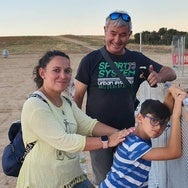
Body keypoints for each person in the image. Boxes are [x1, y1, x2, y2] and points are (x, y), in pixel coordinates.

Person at [74, 10, 177, 185]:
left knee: (130, 181)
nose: (117, 39)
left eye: (123, 35)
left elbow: (171, 72)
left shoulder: (137, 59)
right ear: (105, 30)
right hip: (99, 134)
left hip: (129, 135)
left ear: (129, 35)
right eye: (113, 33)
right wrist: (75, 128)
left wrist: (159, 77)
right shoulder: (90, 60)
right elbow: (77, 98)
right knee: (105, 179)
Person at [16, 50, 135, 188]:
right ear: (42, 73)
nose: (63, 76)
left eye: (67, 71)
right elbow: (65, 141)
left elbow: (89, 125)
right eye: (56, 70)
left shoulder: (66, 101)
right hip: (44, 180)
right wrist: (107, 141)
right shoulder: (35, 105)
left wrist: (122, 134)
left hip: (73, 177)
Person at [100, 85, 187, 187]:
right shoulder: (134, 145)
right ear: (140, 118)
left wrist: (170, 92)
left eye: (163, 124)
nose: (159, 127)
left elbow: (163, 114)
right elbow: (174, 152)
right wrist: (176, 117)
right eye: (154, 121)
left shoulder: (135, 132)